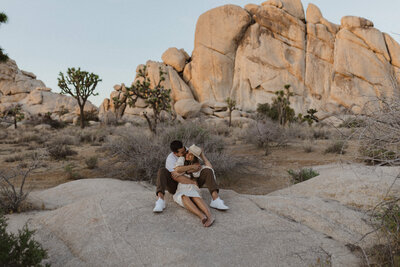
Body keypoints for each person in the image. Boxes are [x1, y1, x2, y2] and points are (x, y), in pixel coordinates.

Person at [153, 140, 229, 212]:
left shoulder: (189, 151)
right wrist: (191, 172)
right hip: (176, 185)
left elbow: (201, 167)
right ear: (175, 153)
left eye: (185, 150)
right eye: (182, 152)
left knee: (208, 171)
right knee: (162, 171)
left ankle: (215, 199)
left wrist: (201, 155)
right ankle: (160, 200)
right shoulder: (171, 159)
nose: (185, 152)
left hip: (193, 180)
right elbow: (175, 176)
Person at [172, 145, 214, 227]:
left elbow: (210, 168)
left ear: (194, 157)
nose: (187, 155)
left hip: (192, 186)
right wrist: (190, 168)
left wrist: (202, 156)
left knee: (195, 196)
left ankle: (210, 216)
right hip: (182, 186)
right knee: (183, 197)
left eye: (190, 155)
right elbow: (177, 169)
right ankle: (202, 216)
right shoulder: (182, 159)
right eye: (187, 153)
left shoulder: (198, 166)